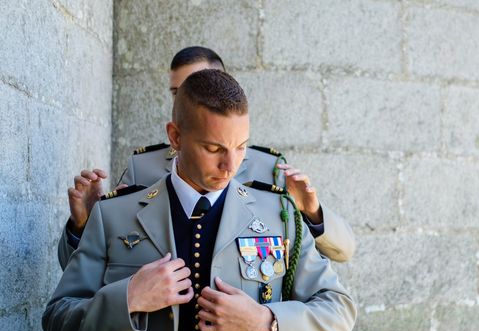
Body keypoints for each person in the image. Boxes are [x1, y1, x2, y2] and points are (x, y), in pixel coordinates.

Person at [42, 69, 356, 331]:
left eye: (241, 147)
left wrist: (265, 320)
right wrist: (129, 298)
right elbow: (60, 321)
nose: (231, 165)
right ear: (175, 137)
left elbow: (339, 310)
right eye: (214, 148)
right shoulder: (114, 215)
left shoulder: (279, 216)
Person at [58, 46, 356, 269]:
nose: (183, 98)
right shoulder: (143, 167)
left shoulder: (269, 169)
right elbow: (83, 273)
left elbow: (343, 251)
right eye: (176, 91)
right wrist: (84, 225)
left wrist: (312, 215)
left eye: (195, 85)